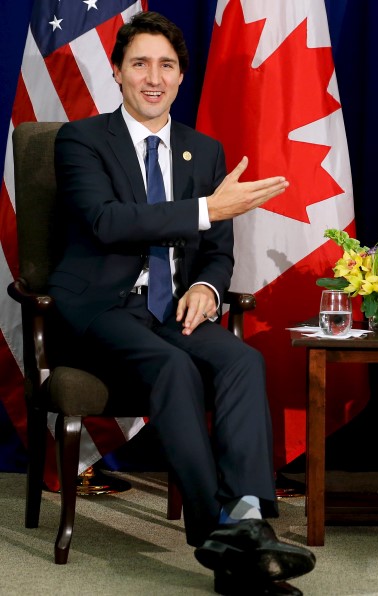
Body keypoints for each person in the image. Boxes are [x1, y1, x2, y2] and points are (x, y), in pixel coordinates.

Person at [48, 11, 314, 596]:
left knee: (244, 360)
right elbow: (107, 221)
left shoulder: (204, 151)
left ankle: (245, 521)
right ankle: (218, 538)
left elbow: (217, 253)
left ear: (180, 77)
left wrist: (207, 288)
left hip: (176, 311)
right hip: (102, 309)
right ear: (117, 71)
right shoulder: (82, 139)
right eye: (140, 63)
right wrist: (206, 210)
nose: (153, 77)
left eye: (166, 65)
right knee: (173, 367)